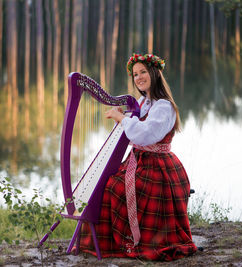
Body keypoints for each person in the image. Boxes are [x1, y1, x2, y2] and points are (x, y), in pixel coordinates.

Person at [79, 53, 197, 261]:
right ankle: (112, 240)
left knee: (114, 187)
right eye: (135, 74)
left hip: (158, 168)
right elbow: (136, 128)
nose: (139, 77)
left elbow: (145, 134)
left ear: (154, 73)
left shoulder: (164, 106)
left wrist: (122, 119)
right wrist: (123, 118)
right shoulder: (143, 102)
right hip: (140, 161)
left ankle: (130, 241)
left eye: (143, 72)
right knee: (109, 184)